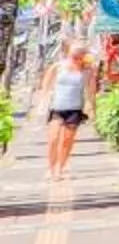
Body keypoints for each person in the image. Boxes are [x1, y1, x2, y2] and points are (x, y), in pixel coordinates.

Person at [43, 37, 94, 180]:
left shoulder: (87, 71)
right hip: (57, 107)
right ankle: (51, 168)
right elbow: (45, 86)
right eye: (74, 55)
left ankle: (60, 167)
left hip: (75, 109)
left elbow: (91, 91)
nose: (76, 58)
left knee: (67, 140)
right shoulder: (58, 67)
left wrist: (92, 107)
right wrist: (43, 102)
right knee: (53, 138)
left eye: (79, 55)